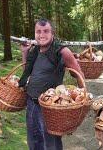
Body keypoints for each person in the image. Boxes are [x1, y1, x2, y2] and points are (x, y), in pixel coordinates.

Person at [18, 18, 83, 150]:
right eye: (38, 31)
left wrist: (81, 102)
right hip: (31, 104)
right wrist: (24, 53)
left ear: (52, 33)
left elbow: (79, 74)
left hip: (49, 108)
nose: (42, 35)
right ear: (35, 34)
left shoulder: (62, 51)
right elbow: (27, 74)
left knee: (51, 145)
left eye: (46, 31)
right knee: (34, 143)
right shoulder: (34, 50)